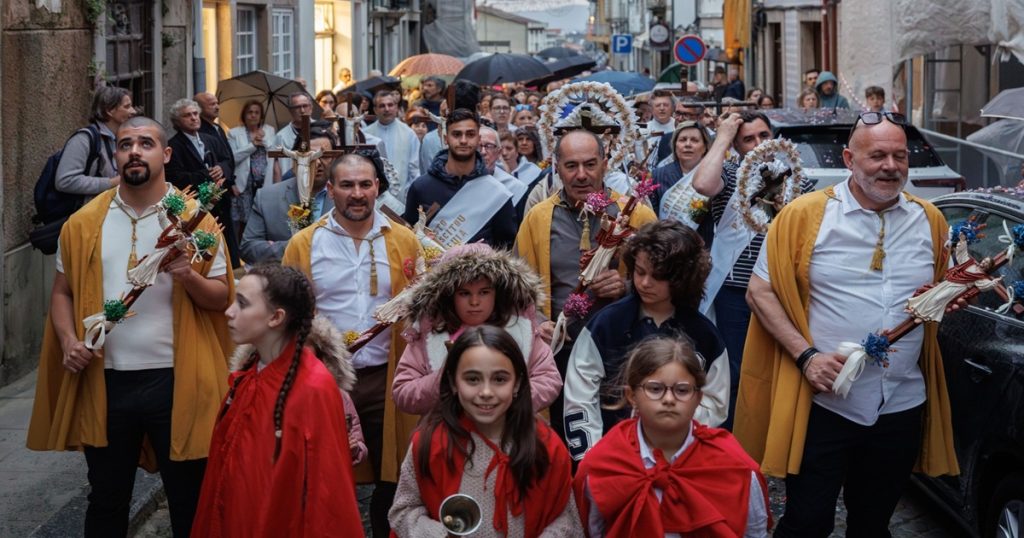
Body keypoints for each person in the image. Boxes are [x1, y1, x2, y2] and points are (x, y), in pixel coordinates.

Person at [735, 112, 958, 536]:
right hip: (825, 404)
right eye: (877, 156)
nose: (890, 166)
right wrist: (806, 357)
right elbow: (759, 292)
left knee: (873, 524)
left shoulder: (929, 220)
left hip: (899, 402)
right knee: (807, 522)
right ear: (849, 159)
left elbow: (941, 293)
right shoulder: (804, 216)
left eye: (900, 156)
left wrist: (955, 296)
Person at [28, 116, 233, 537]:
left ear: (166, 154)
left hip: (178, 378)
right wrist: (68, 341)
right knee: (107, 496)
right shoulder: (84, 222)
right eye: (125, 145)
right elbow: (62, 293)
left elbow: (221, 298)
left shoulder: (195, 220)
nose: (134, 152)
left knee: (189, 498)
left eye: (145, 143)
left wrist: (187, 275)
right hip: (107, 380)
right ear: (116, 156)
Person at [282, 152, 421, 538]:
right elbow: (289, 315)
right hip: (326, 382)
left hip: (387, 379)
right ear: (330, 190)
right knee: (321, 478)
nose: (356, 193)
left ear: (377, 187)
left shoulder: (404, 240)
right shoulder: (304, 244)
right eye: (346, 185)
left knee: (393, 480)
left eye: (364, 184)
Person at [191, 264, 365, 536]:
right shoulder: (249, 375)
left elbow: (327, 491)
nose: (229, 311)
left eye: (242, 304)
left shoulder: (313, 388)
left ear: (276, 317)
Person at [516, 130, 657, 441]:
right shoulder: (538, 218)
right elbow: (518, 289)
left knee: (622, 436)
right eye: (571, 166)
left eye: (590, 164)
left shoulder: (636, 214)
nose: (581, 175)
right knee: (567, 436)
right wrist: (540, 323)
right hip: (561, 349)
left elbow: (664, 282)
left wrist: (627, 287)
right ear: (556, 167)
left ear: (605, 164)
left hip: (623, 348)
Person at [388, 326, 584, 538]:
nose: (486, 392)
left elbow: (566, 518)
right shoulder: (430, 442)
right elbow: (404, 510)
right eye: (473, 379)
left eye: (499, 379)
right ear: (453, 383)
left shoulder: (545, 446)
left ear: (517, 383)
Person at [563, 221, 730, 462]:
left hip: (679, 460)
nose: (644, 283)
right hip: (612, 458)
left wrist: (670, 439)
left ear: (683, 278)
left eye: (658, 276)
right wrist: (593, 459)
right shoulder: (607, 325)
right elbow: (579, 397)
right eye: (640, 272)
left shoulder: (704, 336)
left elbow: (715, 403)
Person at [574, 337, 769, 537]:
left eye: (682, 390)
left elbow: (755, 532)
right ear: (632, 396)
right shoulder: (602, 466)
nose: (669, 399)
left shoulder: (734, 467)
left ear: (698, 398)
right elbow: (592, 530)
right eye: (655, 389)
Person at [693, 110, 814, 429]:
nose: (759, 143)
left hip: (780, 290)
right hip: (735, 292)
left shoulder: (797, 179)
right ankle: (732, 439)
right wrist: (722, 136)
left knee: (778, 369)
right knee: (735, 370)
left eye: (764, 135)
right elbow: (702, 184)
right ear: (737, 146)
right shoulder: (730, 174)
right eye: (748, 139)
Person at [392, 244, 561, 414]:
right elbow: (403, 391)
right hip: (447, 428)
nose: (474, 302)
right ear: (449, 294)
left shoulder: (521, 328)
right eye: (464, 293)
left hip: (512, 427)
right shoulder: (430, 333)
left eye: (484, 292)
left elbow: (548, 378)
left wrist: (509, 400)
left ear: (497, 292)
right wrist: (445, 379)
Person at [404, 108, 517, 249]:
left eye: (470, 134)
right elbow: (408, 238)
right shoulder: (421, 187)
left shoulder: (497, 193)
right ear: (446, 139)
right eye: (456, 134)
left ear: (478, 139)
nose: (463, 140)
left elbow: (507, 248)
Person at [239, 124, 338, 264]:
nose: (317, 162)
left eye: (324, 155)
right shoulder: (267, 197)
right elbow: (248, 248)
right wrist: (295, 246)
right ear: (295, 159)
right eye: (309, 155)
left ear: (334, 158)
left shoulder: (347, 197)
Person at [167, 98, 239, 267]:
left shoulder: (211, 139)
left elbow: (227, 160)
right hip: (196, 207)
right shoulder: (174, 145)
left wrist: (221, 169)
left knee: (227, 248)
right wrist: (206, 175)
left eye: (195, 114)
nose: (193, 118)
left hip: (221, 204)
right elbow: (176, 178)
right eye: (187, 115)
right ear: (177, 121)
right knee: (206, 253)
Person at [55, 85, 132, 196]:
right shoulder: (84, 139)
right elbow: (65, 181)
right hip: (86, 206)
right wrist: (112, 182)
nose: (133, 111)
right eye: (127, 107)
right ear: (109, 110)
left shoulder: (119, 139)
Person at [227, 100, 277, 239]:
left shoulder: (269, 130)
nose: (253, 115)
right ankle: (242, 249)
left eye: (257, 112)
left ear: (261, 116)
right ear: (244, 115)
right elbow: (232, 158)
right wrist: (252, 145)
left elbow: (274, 152)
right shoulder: (234, 133)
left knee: (263, 218)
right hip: (244, 184)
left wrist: (264, 140)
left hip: (265, 182)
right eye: (250, 112)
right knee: (244, 221)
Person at [650, 122, 712, 232]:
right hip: (665, 239)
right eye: (682, 140)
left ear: (705, 147)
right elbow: (651, 215)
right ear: (675, 145)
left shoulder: (714, 176)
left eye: (694, 140)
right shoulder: (657, 175)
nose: (688, 144)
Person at [364, 89, 421, 202]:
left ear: (396, 107)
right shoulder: (366, 134)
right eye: (382, 106)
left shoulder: (409, 134)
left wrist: (411, 197)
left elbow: (414, 169)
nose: (387, 109)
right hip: (372, 197)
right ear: (375, 110)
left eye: (390, 105)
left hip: (402, 198)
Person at [479, 126, 529, 214]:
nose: (483, 152)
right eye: (478, 146)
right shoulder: (459, 181)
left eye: (489, 146)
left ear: (499, 152)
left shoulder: (515, 187)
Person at [276, 92, 315, 176]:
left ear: (311, 107)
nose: (302, 110)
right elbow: (278, 166)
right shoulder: (281, 136)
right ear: (290, 110)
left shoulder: (322, 129)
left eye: (305, 106)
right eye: (297, 107)